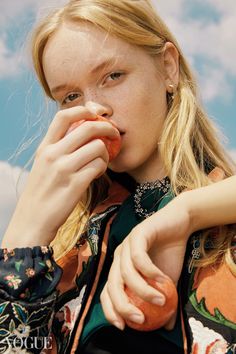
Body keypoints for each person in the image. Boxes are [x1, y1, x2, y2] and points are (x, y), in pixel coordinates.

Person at [0, 0, 235, 353]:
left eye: (112, 76)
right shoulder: (58, 263)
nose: (95, 109)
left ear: (168, 68)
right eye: (71, 96)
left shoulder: (226, 231)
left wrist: (185, 212)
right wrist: (23, 238)